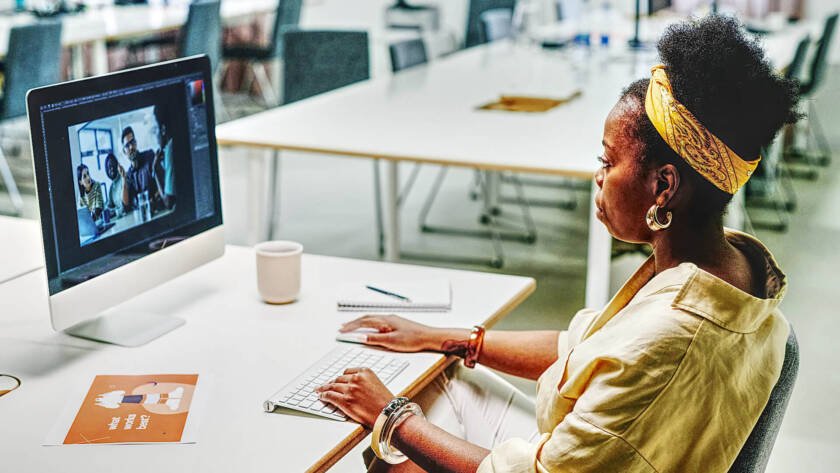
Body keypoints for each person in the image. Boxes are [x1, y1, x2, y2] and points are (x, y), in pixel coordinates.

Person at [316, 15, 800, 473]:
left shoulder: (674, 336)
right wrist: (450, 338)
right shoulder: (723, 264)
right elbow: (584, 347)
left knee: (405, 425)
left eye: (608, 161)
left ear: (664, 186)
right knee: (438, 381)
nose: (599, 176)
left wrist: (390, 416)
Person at [121, 125, 164, 213]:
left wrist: (153, 201)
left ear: (136, 143)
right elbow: (126, 205)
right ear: (124, 151)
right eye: (127, 146)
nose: (131, 147)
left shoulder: (150, 157)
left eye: (132, 142)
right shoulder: (129, 175)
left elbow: (164, 182)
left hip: (160, 211)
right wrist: (123, 179)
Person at [153, 104, 176, 209]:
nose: (155, 135)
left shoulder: (170, 149)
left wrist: (156, 169)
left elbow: (168, 203)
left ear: (162, 129)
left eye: (155, 130)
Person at [104, 153, 126, 217]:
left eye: (113, 165)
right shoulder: (111, 187)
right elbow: (109, 206)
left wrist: (114, 212)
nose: (112, 169)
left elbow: (125, 206)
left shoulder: (124, 178)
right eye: (109, 167)